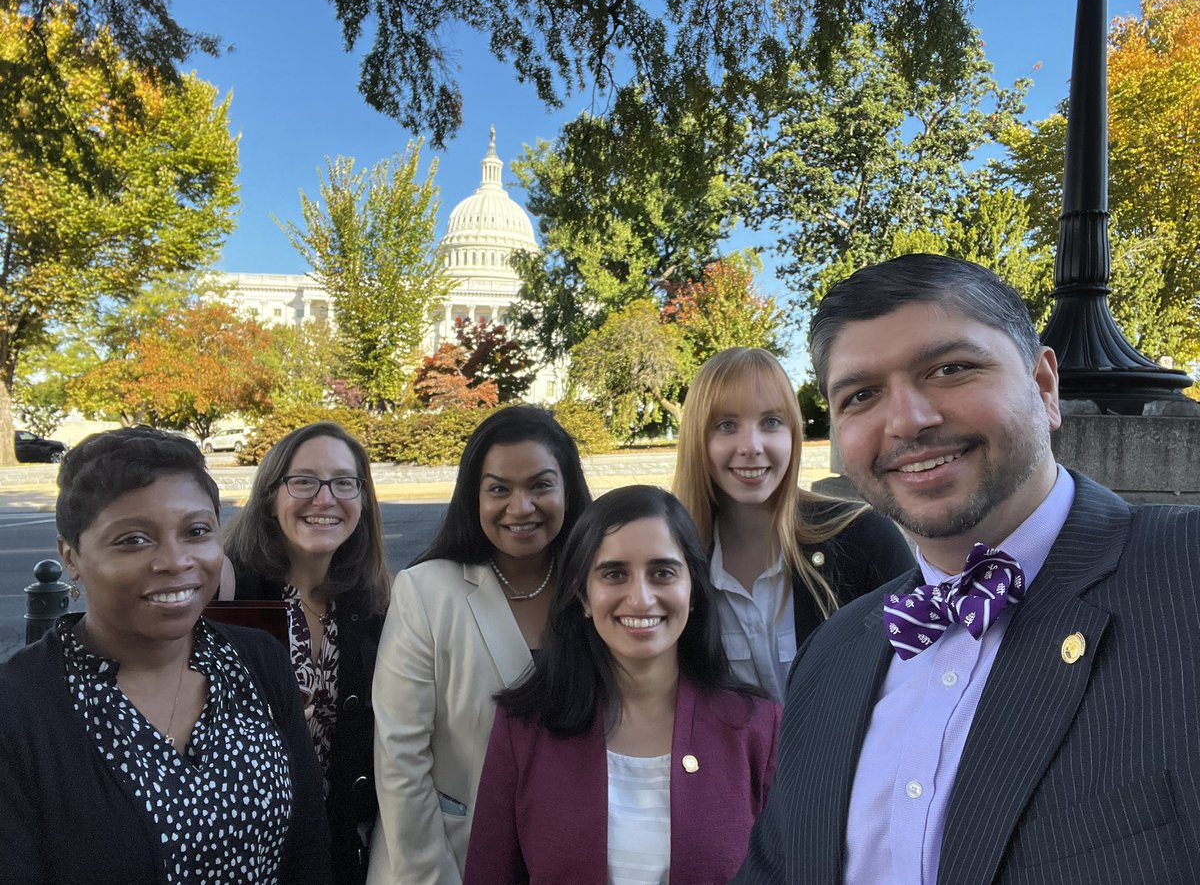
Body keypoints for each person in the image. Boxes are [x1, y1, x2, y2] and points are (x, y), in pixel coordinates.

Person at [735, 253, 1200, 884]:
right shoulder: (832, 656)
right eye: (861, 395)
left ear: (1043, 386)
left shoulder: (1186, 579)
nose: (908, 421)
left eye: (951, 369)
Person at [0, 428, 330, 883]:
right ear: (71, 556)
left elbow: (308, 848)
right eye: (133, 540)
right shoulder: (18, 708)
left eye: (196, 531)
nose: (175, 561)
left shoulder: (258, 660)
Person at [465, 485, 780, 884]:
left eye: (662, 572)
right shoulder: (524, 728)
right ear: (583, 595)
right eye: (614, 574)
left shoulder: (758, 730)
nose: (641, 598)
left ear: (694, 590)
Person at [367, 405, 592, 884]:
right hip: (446, 862)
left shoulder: (597, 590)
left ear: (568, 490)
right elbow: (400, 761)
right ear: (474, 496)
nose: (521, 506)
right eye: (498, 489)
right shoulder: (425, 593)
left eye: (540, 485)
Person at [673, 347, 914, 700]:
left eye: (771, 422)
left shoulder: (865, 539)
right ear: (698, 439)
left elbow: (923, 676)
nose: (752, 446)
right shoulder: (674, 563)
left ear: (793, 434)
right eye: (727, 425)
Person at [224, 421, 391, 883]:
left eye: (344, 482)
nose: (325, 498)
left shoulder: (369, 605)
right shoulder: (229, 589)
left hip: (339, 849)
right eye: (303, 481)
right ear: (270, 494)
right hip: (252, 853)